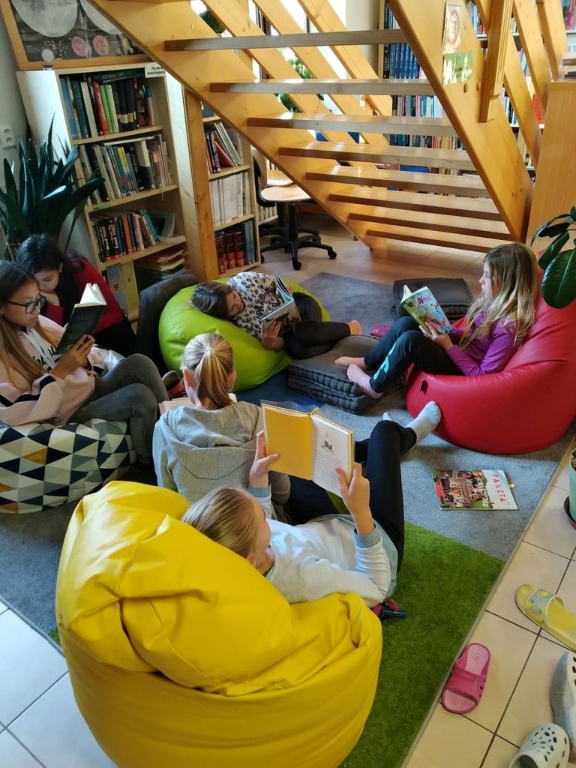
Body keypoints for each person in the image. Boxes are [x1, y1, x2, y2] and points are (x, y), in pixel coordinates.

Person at [182, 401, 442, 607]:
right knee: (384, 431)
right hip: (379, 544)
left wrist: (258, 477)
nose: (265, 514)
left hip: (321, 529)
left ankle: (364, 450)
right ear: (252, 559)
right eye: (261, 517)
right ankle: (402, 436)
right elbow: (377, 587)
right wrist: (360, 512)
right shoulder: (306, 578)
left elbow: (260, 523)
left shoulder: (248, 557)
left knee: (302, 462)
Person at [0, 262, 167, 466]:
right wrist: (61, 372)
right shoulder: (4, 358)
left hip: (90, 388)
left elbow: (84, 355)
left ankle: (174, 428)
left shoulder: (39, 324)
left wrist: (84, 356)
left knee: (140, 362)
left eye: (38, 300)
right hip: (69, 413)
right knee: (139, 396)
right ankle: (154, 464)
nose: (37, 310)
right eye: (29, 304)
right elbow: (18, 411)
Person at [335, 242, 539, 398]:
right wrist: (444, 329)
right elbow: (472, 338)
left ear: (505, 282)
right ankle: (368, 362)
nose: (480, 280)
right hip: (459, 353)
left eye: (486, 276)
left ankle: (374, 387)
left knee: (411, 341)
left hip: (464, 371)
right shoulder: (493, 304)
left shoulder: (508, 327)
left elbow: (482, 375)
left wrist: (448, 345)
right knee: (407, 323)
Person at [153, 332, 290, 516]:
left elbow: (167, 499)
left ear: (186, 377)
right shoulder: (259, 419)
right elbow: (282, 493)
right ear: (232, 376)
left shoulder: (165, 428)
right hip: (256, 525)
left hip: (194, 530)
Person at [191, 271, 362, 359]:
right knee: (297, 350)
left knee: (303, 331)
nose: (239, 304)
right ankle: (332, 336)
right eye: (234, 309)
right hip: (287, 332)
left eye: (235, 297)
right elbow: (281, 344)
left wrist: (284, 291)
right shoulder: (238, 325)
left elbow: (277, 284)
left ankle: (350, 328)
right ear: (226, 317)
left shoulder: (242, 280)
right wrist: (269, 342)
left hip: (299, 305)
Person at [17, 233, 136, 357]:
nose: (41, 287)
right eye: (35, 281)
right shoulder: (26, 292)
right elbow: (50, 341)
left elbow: (115, 313)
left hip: (98, 332)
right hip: (66, 349)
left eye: (48, 279)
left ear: (60, 267)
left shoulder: (78, 270)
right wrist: (54, 305)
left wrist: (83, 330)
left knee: (118, 335)